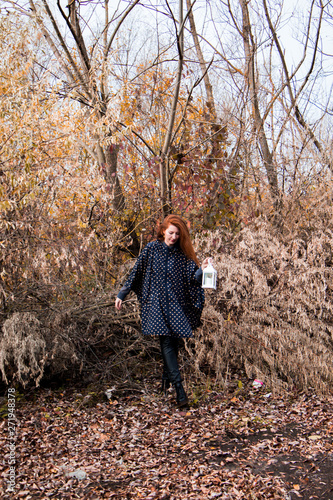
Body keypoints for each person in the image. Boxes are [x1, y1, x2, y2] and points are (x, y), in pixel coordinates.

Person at [115, 214, 209, 407]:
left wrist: (204, 269)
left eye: (177, 234)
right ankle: (180, 391)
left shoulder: (182, 255)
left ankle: (165, 385)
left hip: (176, 305)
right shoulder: (151, 249)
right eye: (171, 233)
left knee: (174, 344)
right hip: (157, 304)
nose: (174, 237)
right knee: (167, 342)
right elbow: (137, 272)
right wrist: (122, 293)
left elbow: (193, 278)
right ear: (163, 230)